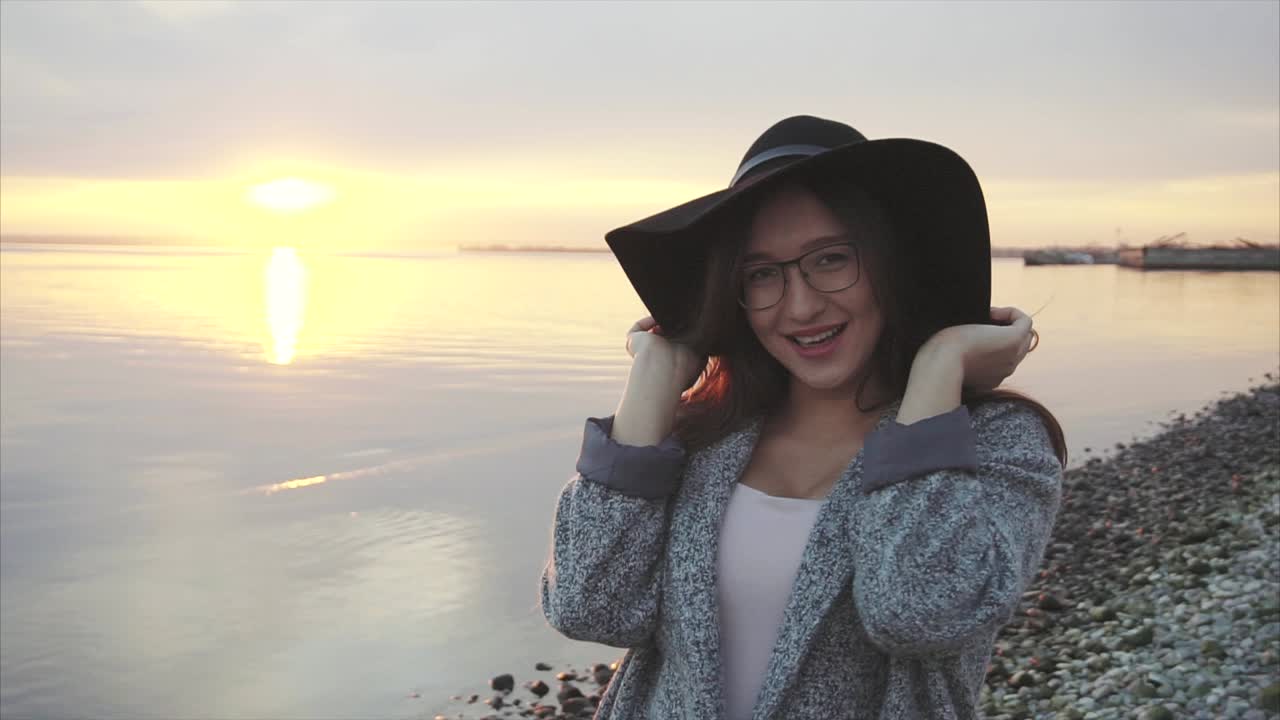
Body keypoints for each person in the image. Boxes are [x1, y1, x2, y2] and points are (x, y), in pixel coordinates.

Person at [540, 115, 1067, 720]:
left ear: (890, 262)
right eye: (761, 274)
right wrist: (650, 388)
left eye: (831, 259)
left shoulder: (994, 443)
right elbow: (588, 608)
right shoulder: (702, 437)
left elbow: (920, 613)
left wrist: (939, 367)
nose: (800, 305)